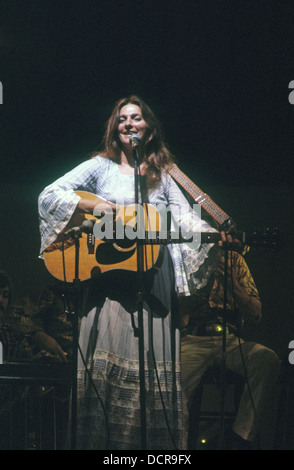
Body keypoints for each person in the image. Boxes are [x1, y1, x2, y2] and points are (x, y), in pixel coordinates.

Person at [38, 95, 235, 450]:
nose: (129, 123)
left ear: (149, 127)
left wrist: (209, 235)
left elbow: (184, 217)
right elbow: (51, 194)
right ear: (115, 128)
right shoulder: (101, 167)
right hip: (109, 282)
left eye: (137, 118)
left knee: (153, 373)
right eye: (122, 118)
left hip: (153, 279)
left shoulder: (164, 174)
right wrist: (97, 203)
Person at [180, 250, 280, 450]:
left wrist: (234, 287)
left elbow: (255, 314)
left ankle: (240, 437)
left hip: (230, 339)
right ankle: (177, 444)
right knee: (173, 380)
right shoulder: (182, 259)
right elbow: (181, 317)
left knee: (266, 358)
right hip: (193, 338)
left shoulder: (234, 260)